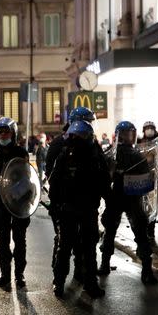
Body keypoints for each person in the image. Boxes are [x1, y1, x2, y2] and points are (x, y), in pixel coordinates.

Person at [50, 120, 109, 298]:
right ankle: (59, 282)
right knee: (66, 247)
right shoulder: (66, 154)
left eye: (80, 136)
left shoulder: (95, 155)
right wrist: (55, 205)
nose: (78, 140)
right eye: (76, 136)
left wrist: (109, 201)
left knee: (88, 248)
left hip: (88, 209)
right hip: (69, 209)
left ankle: (89, 284)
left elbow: (104, 180)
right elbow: (55, 181)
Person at [100, 121, 158, 285]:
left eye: (130, 134)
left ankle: (106, 264)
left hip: (122, 198)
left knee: (116, 232)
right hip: (127, 198)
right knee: (130, 233)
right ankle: (146, 270)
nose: (129, 137)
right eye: (126, 134)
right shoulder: (130, 155)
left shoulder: (114, 154)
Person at [0, 117, 31, 289]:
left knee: (19, 240)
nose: (3, 135)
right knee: (3, 241)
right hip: (1, 203)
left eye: (6, 132)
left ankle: (19, 274)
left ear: (14, 133)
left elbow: (28, 178)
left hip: (19, 203)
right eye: (0, 132)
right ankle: (5, 275)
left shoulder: (20, 153)